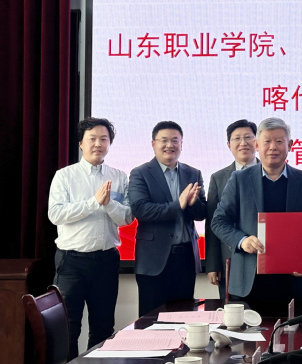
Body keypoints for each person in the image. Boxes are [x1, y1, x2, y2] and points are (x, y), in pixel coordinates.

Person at [211, 117, 302, 304]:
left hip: (294, 280)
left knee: (295, 324)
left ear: (290, 145)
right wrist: (242, 240)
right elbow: (218, 221)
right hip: (249, 281)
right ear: (257, 145)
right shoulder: (239, 180)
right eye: (267, 141)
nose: (273, 147)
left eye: (279, 141)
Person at [47, 117, 132, 359]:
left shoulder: (119, 176)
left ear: (109, 144)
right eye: (92, 139)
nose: (98, 144)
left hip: (106, 261)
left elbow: (127, 217)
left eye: (103, 139)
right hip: (71, 262)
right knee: (68, 327)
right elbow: (55, 214)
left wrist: (108, 204)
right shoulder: (65, 176)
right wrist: (93, 203)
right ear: (81, 143)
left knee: (103, 327)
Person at [129, 121, 206, 316]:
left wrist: (193, 203)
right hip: (153, 260)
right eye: (164, 140)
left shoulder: (193, 173)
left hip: (186, 259)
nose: (169, 145)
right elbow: (141, 210)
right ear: (153, 143)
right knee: (151, 320)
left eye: (175, 140)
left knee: (183, 317)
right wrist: (178, 205)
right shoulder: (140, 173)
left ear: (181, 144)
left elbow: (201, 213)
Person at [205, 119, 259, 299]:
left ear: (257, 142)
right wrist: (212, 265)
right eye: (237, 138)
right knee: (233, 311)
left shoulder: (269, 173)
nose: (243, 143)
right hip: (229, 258)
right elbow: (213, 223)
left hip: (264, 256)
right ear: (229, 145)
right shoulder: (218, 178)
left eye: (248, 137)